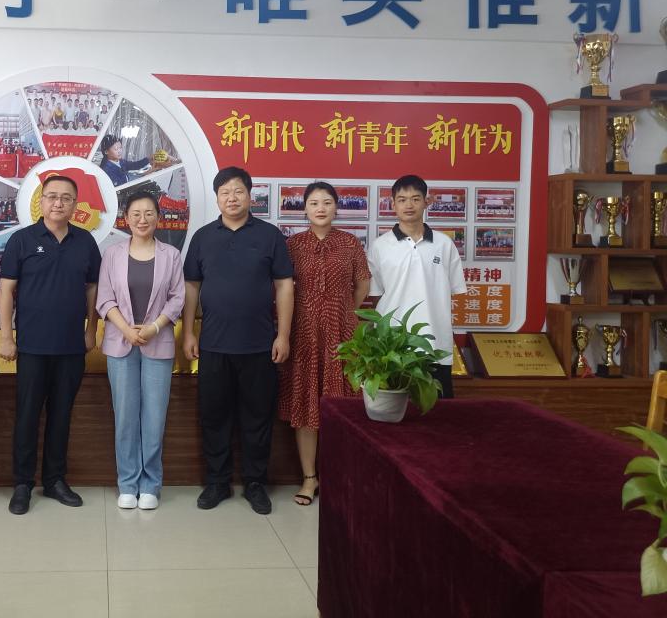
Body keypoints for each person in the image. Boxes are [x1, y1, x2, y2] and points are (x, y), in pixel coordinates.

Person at [182, 166, 294, 515]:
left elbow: (284, 286)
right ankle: (217, 482)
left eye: (238, 191)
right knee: (214, 416)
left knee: (257, 417)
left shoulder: (270, 235)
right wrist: (188, 332)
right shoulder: (203, 237)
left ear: (250, 195)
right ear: (217, 198)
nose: (232, 198)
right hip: (213, 345)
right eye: (225, 193)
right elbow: (191, 287)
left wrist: (283, 335)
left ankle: (255, 483)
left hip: (260, 345)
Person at [0, 174, 102, 515]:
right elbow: (6, 290)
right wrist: (6, 336)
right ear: (41, 202)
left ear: (75, 205)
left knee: (61, 415)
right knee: (27, 415)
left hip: (71, 345)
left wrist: (91, 329)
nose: (58, 203)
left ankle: (55, 479)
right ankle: (22, 483)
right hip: (31, 346)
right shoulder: (22, 240)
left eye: (66, 198)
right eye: (52, 196)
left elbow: (92, 288)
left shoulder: (85, 242)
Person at [278, 182, 371, 506]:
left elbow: (362, 284)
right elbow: (282, 288)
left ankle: (337, 475)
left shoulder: (350, 243)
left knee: (341, 404)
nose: (321, 208)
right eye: (314, 203)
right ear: (304, 208)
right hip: (303, 333)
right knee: (306, 405)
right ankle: (309, 478)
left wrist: (343, 311)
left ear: (336, 207)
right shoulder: (292, 245)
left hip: (342, 334)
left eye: (327, 202)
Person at [96, 190, 185, 510]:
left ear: (158, 218)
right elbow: (104, 298)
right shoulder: (112, 254)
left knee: (154, 417)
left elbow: (178, 298)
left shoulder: (171, 255)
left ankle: (150, 483)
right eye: (136, 214)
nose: (142, 219)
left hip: (157, 342)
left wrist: (154, 327)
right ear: (126, 219)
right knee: (125, 417)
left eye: (149, 213)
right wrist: (126, 330)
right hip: (120, 343)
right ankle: (127, 482)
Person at [367, 174, 467, 399]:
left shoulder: (444, 244)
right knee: (395, 409)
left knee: (437, 410)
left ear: (426, 202)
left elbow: (455, 290)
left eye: (415, 199)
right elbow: (376, 296)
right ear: (393, 204)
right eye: (402, 200)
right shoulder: (380, 246)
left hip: (435, 342)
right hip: (393, 345)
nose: (409, 205)